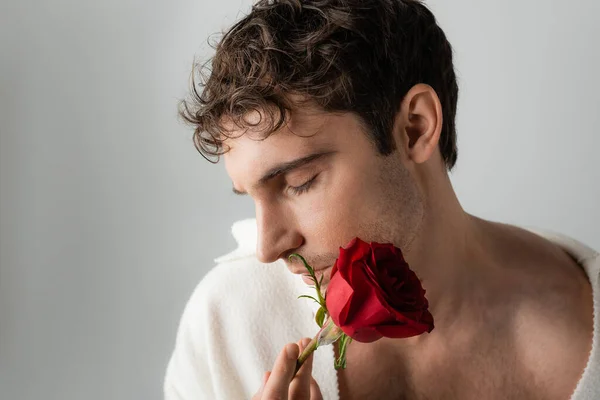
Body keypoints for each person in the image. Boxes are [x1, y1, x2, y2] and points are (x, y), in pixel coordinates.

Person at [164, 0, 599, 399]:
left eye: (298, 182)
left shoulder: (585, 332)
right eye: (251, 197)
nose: (268, 247)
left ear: (415, 127)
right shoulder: (224, 323)